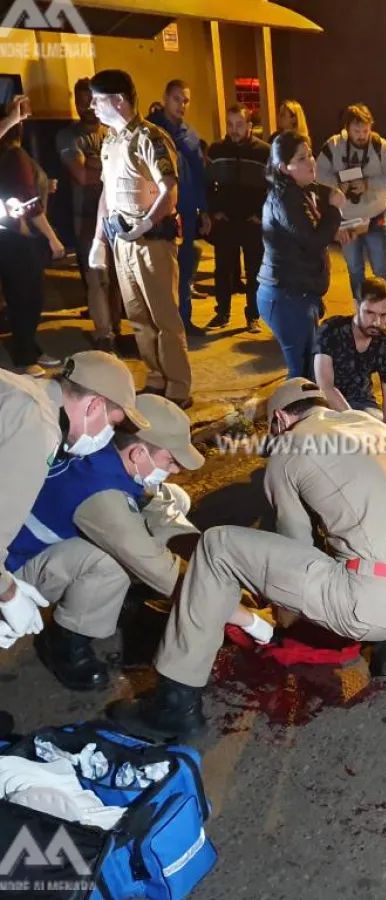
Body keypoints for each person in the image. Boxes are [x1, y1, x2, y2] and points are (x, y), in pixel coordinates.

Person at [107, 378, 386, 739]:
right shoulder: (369, 424)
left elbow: (296, 546)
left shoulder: (290, 446)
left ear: (282, 421)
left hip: (375, 603)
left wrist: (277, 619)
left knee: (216, 546)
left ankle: (173, 704)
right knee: (367, 535)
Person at [3, 392, 206, 690]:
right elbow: (155, 566)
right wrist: (226, 604)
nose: (175, 470)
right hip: (11, 570)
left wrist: (196, 547)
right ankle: (65, 645)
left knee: (174, 500)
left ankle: (107, 601)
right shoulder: (100, 495)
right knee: (113, 562)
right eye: (171, 461)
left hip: (25, 544)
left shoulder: (99, 449)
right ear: (138, 454)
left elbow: (154, 504)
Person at [0, 351, 148, 654]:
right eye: (113, 423)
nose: (108, 436)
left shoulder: (18, 389)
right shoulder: (38, 425)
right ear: (94, 405)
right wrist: (9, 594)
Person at [88, 69, 193, 410]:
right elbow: (107, 192)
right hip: (123, 240)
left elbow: (169, 190)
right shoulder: (111, 141)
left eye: (97, 99)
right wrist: (99, 240)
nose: (91, 106)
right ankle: (156, 378)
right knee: (137, 317)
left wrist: (144, 225)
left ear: (118, 100)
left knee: (164, 318)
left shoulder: (150, 138)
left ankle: (178, 386)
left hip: (152, 242)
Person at [257, 131, 347, 379]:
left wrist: (331, 206)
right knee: (301, 373)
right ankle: (292, 416)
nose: (311, 162)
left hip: (299, 293)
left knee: (309, 368)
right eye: (302, 158)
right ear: (285, 167)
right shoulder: (285, 199)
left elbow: (314, 229)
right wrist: (335, 213)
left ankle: (303, 413)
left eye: (310, 154)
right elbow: (312, 240)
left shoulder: (299, 189)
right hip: (285, 296)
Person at [56, 78, 122, 354]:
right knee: (97, 277)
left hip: (117, 215)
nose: (86, 107)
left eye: (90, 101)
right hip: (86, 218)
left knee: (118, 277)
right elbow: (82, 176)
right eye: (80, 101)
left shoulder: (112, 132)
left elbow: (124, 172)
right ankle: (104, 335)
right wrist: (107, 169)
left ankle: (115, 327)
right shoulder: (67, 137)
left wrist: (98, 164)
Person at [0, 101, 66, 375]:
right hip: (19, 236)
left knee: (19, 296)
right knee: (28, 297)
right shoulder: (13, 156)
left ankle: (29, 348)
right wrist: (53, 239)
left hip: (10, 235)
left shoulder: (11, 155)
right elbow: (28, 202)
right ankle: (25, 357)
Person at [316, 104, 386, 310]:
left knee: (381, 270)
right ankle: (360, 313)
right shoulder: (334, 145)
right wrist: (338, 182)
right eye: (357, 131)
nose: (362, 136)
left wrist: (368, 184)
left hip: (375, 217)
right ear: (347, 128)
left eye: (366, 130)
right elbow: (318, 173)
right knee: (355, 270)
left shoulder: (381, 147)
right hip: (346, 220)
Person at [148, 79, 211, 334]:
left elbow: (198, 175)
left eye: (185, 101)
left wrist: (204, 210)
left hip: (184, 211)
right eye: (177, 99)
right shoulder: (150, 130)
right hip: (157, 211)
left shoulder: (190, 134)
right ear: (165, 97)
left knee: (184, 267)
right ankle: (161, 325)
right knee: (159, 271)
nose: (181, 105)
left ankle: (184, 320)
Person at [205, 104, 270, 333]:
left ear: (249, 126)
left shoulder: (264, 152)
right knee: (223, 270)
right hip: (225, 222)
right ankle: (222, 312)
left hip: (253, 222)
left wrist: (261, 214)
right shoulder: (216, 150)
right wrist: (214, 211)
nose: (234, 129)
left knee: (255, 271)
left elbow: (273, 187)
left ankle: (253, 315)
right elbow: (207, 184)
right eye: (230, 124)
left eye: (239, 124)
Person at [313, 276, 386, 430]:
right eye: (369, 313)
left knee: (380, 433)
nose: (377, 322)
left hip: (363, 404)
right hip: (322, 405)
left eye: (383, 315)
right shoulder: (331, 330)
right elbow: (325, 386)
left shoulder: (385, 345)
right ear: (356, 305)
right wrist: (356, 425)